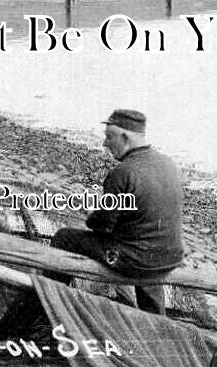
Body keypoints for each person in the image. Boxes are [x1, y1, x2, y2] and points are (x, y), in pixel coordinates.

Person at [50, 109, 183, 314]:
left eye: (109, 137)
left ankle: (50, 303)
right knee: (147, 247)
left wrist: (92, 217)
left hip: (137, 261)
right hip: (168, 258)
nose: (105, 144)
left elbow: (103, 226)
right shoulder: (168, 164)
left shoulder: (122, 172)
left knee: (64, 237)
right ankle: (158, 321)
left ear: (125, 137)